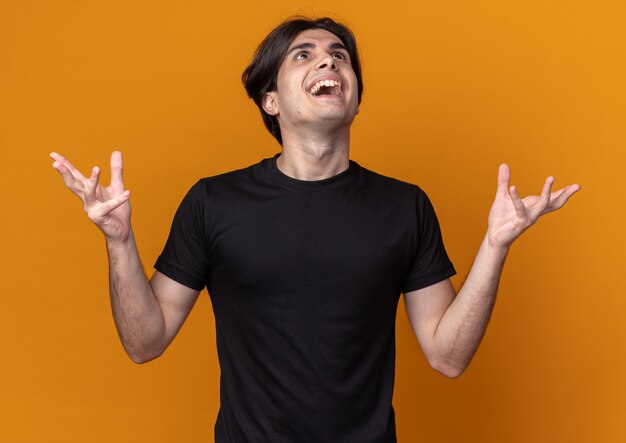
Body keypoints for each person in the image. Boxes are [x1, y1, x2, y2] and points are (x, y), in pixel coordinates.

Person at [50, 16, 579, 443]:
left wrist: (495, 246)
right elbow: (145, 342)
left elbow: (448, 355)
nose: (329, 59)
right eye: (303, 54)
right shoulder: (213, 201)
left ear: (352, 95)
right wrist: (118, 244)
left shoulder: (404, 206)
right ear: (271, 101)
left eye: (340, 55)